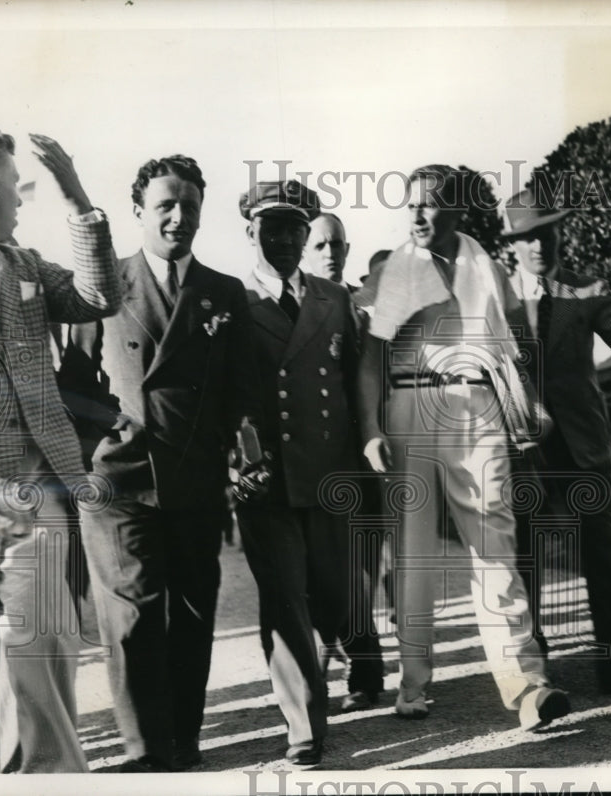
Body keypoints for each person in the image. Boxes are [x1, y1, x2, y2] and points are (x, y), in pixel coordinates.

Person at [71, 155, 266, 772]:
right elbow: (73, 382)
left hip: (195, 478)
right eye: (165, 205)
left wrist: (237, 447)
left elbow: (241, 390)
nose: (178, 217)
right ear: (138, 212)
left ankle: (182, 740)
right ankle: (143, 749)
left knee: (191, 612)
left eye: (189, 205)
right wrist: (110, 427)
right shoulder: (102, 285)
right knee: (131, 616)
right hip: (121, 476)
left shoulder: (223, 293)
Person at [358, 164, 570, 731]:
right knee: (414, 554)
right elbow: (369, 361)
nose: (418, 215)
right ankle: (413, 684)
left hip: (478, 407)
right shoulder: (393, 270)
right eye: (411, 206)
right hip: (408, 409)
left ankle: (526, 685)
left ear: (457, 209)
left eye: (430, 204)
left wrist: (529, 403)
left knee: (494, 545)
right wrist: (371, 431)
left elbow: (517, 347)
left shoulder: (488, 268)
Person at [235, 181, 383, 764]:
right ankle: (304, 726)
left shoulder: (334, 299)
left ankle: (361, 664)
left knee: (335, 592)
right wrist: (240, 455)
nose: (286, 239)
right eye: (272, 227)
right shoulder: (230, 298)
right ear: (250, 230)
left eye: (296, 228)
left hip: (331, 472)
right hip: (266, 476)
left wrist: (367, 446)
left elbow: (354, 385)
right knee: (284, 598)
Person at [0, 128, 120, 772]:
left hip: (36, 489)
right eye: (12, 184)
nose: (20, 197)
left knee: (46, 640)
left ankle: (54, 776)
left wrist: (78, 200)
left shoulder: (22, 263)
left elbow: (102, 297)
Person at [502, 188, 611, 693]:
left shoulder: (588, 289)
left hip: (582, 447)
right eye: (528, 237)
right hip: (522, 449)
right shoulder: (497, 299)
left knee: (600, 550)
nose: (539, 245)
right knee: (525, 555)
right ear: (512, 244)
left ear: (560, 234)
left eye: (547, 234)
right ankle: (534, 663)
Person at [303, 212, 350, 285]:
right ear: (304, 254)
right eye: (320, 246)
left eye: (336, 244)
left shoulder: (365, 296)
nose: (330, 254)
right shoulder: (295, 296)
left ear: (347, 249)